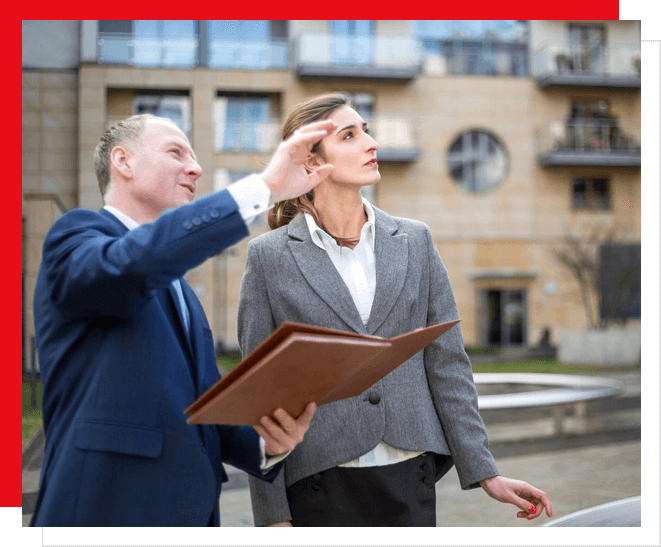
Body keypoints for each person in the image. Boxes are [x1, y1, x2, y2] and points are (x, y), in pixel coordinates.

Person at [238, 93, 553, 527]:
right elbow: (262, 396)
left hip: (411, 476)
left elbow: (448, 367)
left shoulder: (415, 241)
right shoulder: (268, 257)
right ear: (311, 162)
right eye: (350, 135)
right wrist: (272, 516)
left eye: (365, 129)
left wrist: (485, 471)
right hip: (318, 484)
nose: (371, 142)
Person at [30, 113, 338, 527]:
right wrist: (264, 188)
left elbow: (202, 410)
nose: (195, 168)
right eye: (176, 152)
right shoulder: (76, 236)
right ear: (123, 162)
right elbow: (132, 266)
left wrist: (267, 441)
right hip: (106, 508)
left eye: (194, 157)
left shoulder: (183, 293)